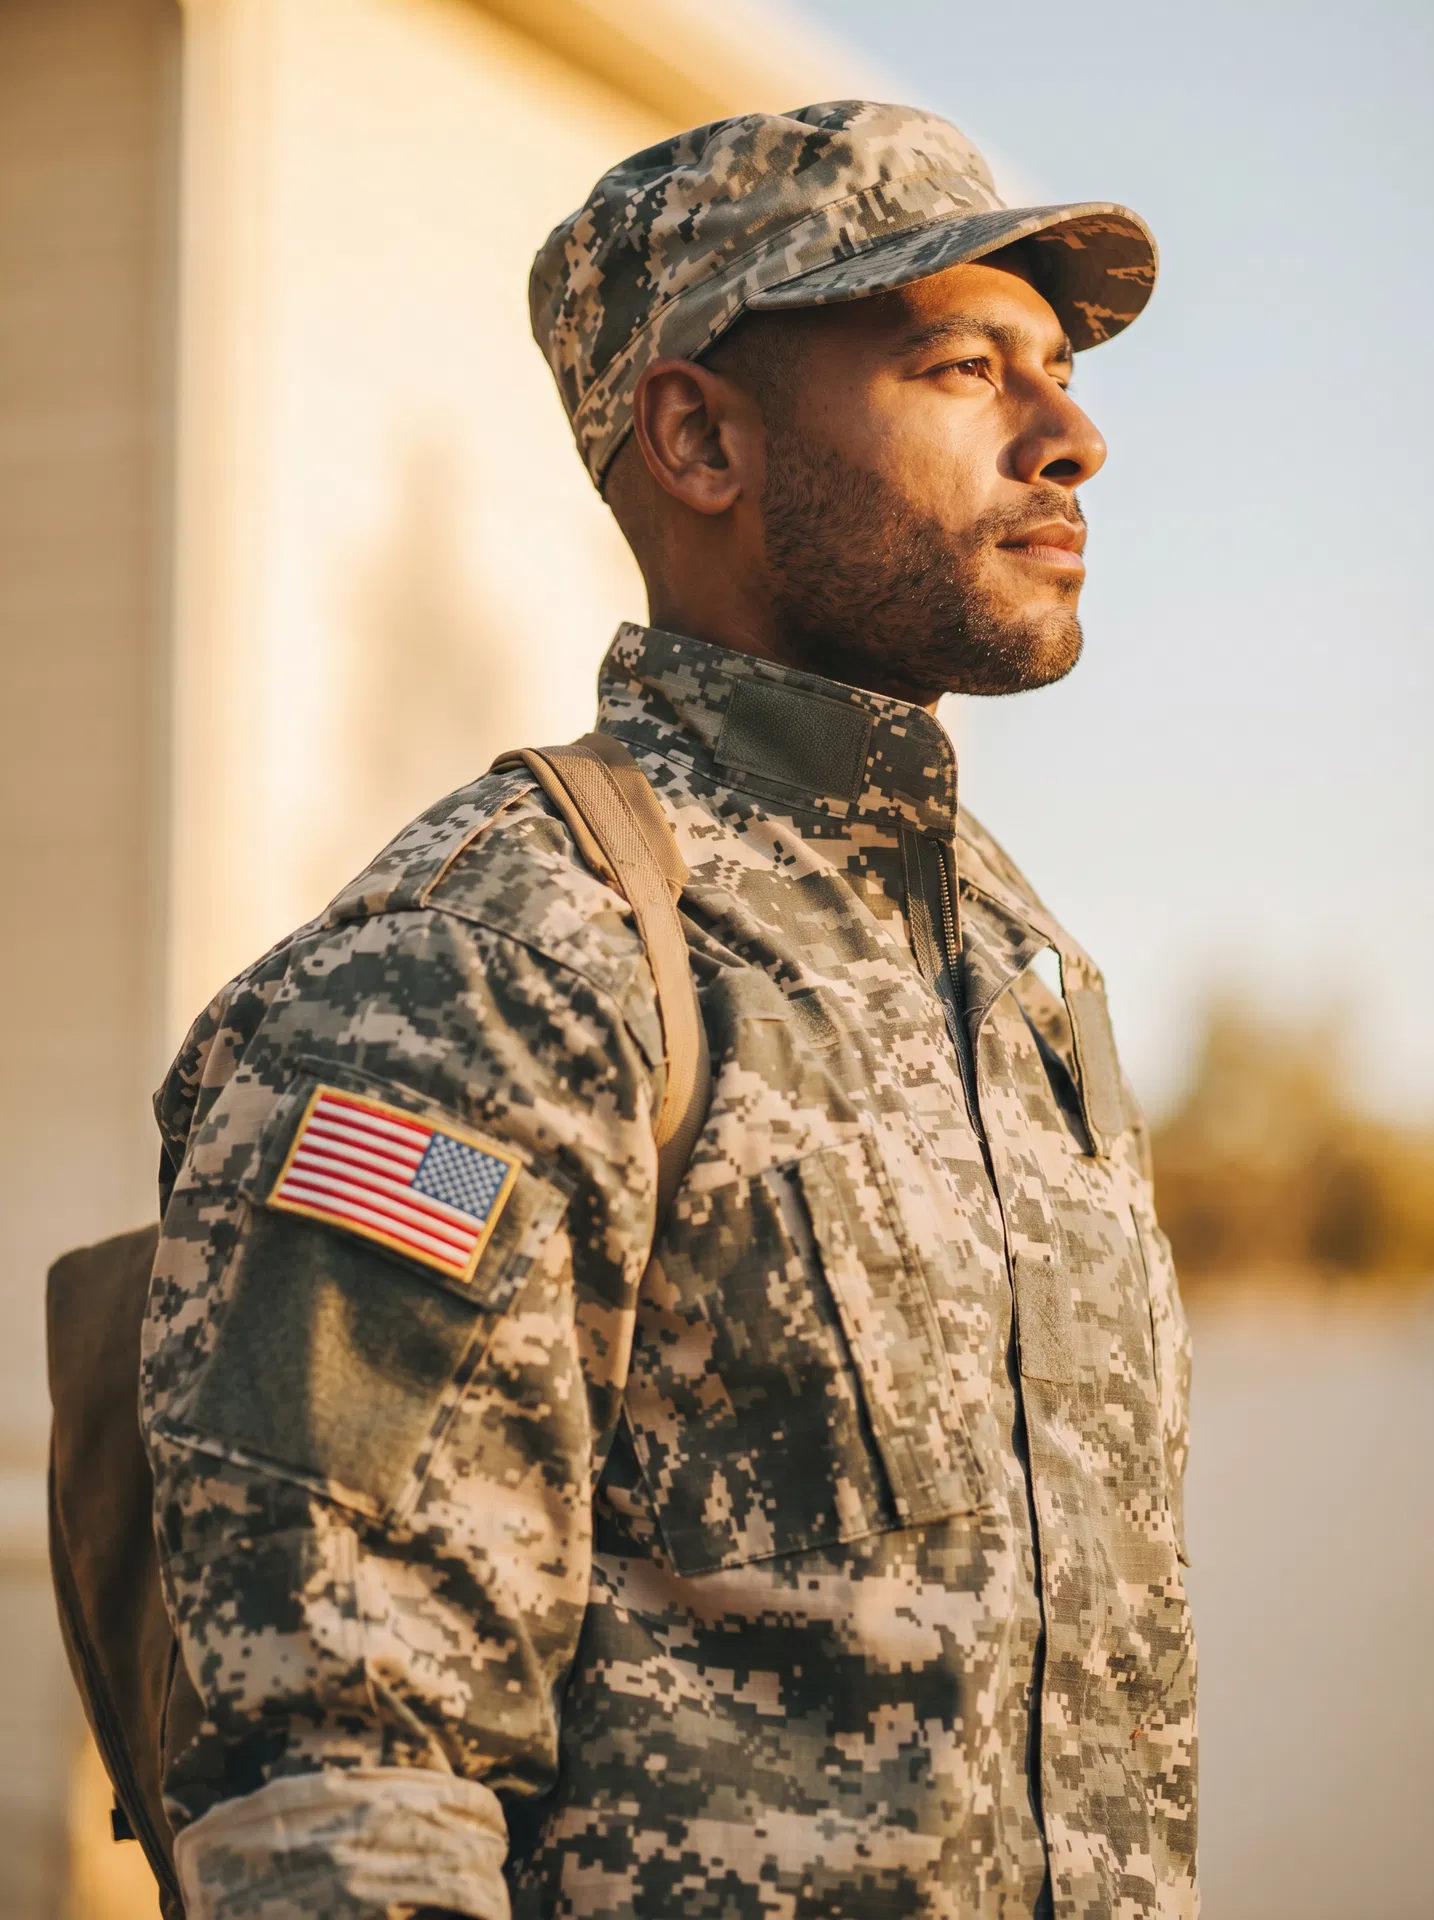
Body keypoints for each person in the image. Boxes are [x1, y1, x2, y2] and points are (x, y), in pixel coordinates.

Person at [141, 100, 1195, 1920]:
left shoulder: (1012, 965)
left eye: (1061, 370)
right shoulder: (493, 958)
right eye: (964, 365)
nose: (1072, 437)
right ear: (700, 436)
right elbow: (340, 1787)